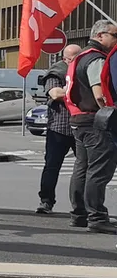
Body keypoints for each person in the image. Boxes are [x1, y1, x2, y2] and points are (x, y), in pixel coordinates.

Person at [66, 21, 117, 232]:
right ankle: (96, 217)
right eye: (115, 35)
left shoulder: (80, 56)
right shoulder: (96, 58)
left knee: (82, 167)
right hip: (94, 119)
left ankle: (80, 214)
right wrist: (108, 112)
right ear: (101, 35)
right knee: (99, 170)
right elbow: (100, 93)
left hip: (78, 118)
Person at [36, 44, 80, 214]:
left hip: (80, 127)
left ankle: (81, 206)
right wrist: (79, 91)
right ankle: (46, 201)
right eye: (72, 58)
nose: (76, 61)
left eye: (78, 57)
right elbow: (55, 93)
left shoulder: (82, 70)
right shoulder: (56, 71)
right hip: (59, 127)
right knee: (52, 166)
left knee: (84, 168)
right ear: (65, 59)